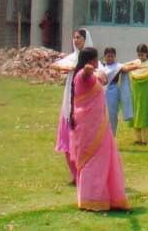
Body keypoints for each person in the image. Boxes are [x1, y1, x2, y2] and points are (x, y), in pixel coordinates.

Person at [68, 47, 129, 211]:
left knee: (103, 161)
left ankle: (105, 197)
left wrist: (97, 73)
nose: (98, 62)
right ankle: (90, 199)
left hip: (100, 126)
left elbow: (99, 77)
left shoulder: (91, 76)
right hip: (89, 128)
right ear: (91, 60)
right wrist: (91, 69)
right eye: (96, 59)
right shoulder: (82, 75)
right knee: (91, 162)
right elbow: (87, 72)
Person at [52, 28, 93, 182]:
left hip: (83, 104)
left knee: (82, 142)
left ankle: (84, 174)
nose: (76, 40)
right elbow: (56, 65)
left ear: (85, 40)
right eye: (74, 37)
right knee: (68, 140)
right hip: (69, 101)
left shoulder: (91, 60)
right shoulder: (71, 59)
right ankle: (75, 174)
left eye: (79, 38)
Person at [100, 47, 133, 136]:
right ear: (104, 56)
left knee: (112, 114)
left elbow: (126, 69)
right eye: (108, 56)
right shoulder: (101, 67)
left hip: (113, 92)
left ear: (115, 57)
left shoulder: (118, 66)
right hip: (101, 92)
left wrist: (138, 65)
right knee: (101, 114)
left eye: (112, 56)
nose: (110, 58)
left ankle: (111, 135)